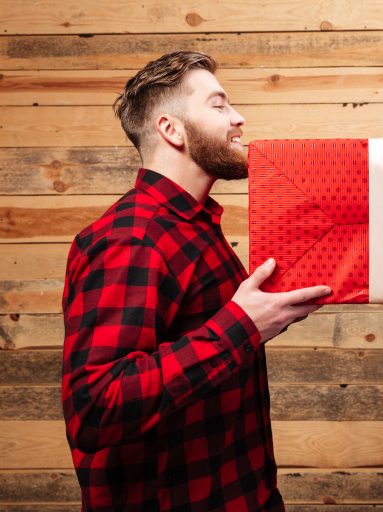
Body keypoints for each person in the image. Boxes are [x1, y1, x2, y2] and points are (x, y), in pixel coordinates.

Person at [61, 51, 331, 511]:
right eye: (219, 105)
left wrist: (269, 312)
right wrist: (241, 327)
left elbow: (208, 337)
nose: (239, 117)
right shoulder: (131, 237)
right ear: (171, 129)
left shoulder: (193, 223)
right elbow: (95, 406)